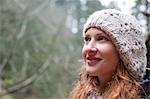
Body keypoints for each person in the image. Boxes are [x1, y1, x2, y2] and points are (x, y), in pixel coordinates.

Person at [70, 9, 150, 99]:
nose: (89, 48)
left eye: (101, 39)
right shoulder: (83, 94)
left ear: (125, 52)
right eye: (87, 39)